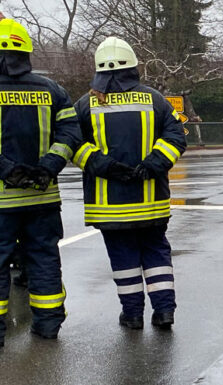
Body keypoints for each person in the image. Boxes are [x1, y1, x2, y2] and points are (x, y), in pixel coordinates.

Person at [72, 37, 186, 330]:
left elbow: (72, 143)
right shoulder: (155, 99)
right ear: (134, 66)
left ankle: (132, 315)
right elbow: (176, 138)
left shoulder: (85, 104)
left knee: (123, 258)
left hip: (109, 206)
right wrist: (152, 165)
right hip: (151, 202)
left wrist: (102, 165)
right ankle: (164, 312)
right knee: (156, 252)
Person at [0, 18, 82, 345]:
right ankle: (47, 326)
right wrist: (48, 166)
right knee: (44, 259)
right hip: (43, 198)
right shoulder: (52, 90)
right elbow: (70, 134)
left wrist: (6, 169)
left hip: (3, 202)